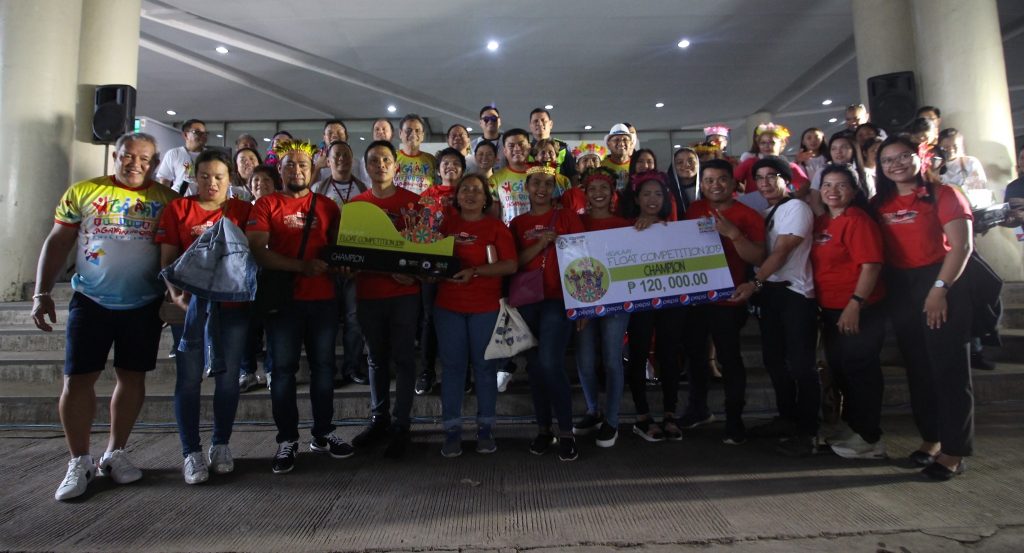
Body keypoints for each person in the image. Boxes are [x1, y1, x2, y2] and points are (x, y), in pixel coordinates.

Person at [32, 132, 178, 500]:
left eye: (145, 160)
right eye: (129, 156)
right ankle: (79, 460)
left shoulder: (167, 200)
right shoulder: (83, 192)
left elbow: (176, 252)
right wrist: (41, 292)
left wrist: (172, 296)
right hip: (91, 300)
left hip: (143, 304)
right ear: (116, 155)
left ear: (155, 163)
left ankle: (115, 453)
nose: (136, 164)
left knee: (132, 378)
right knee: (78, 379)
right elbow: (58, 241)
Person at [871, 135, 974, 480]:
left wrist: (939, 290)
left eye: (903, 157)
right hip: (901, 288)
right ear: (880, 168)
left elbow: (961, 246)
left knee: (948, 369)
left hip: (941, 283)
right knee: (918, 368)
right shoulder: (879, 203)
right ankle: (931, 439)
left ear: (920, 158)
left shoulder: (945, 194)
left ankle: (954, 451)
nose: (896, 164)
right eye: (887, 160)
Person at [246, 139, 347, 474]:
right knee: (284, 374)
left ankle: (324, 432)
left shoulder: (328, 207)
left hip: (323, 301)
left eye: (303, 165)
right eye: (290, 165)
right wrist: (300, 267)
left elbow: (338, 250)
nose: (297, 170)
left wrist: (342, 265)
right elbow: (258, 251)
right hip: (284, 303)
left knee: (324, 370)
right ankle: (287, 439)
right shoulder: (265, 205)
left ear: (313, 169)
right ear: (280, 169)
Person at [156, 150, 253, 484]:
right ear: (194, 177)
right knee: (189, 379)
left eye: (219, 177)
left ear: (231, 180)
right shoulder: (178, 210)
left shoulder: (242, 211)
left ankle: (221, 444)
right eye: (205, 176)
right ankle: (191, 452)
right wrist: (176, 294)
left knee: (228, 380)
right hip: (189, 311)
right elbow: (167, 259)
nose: (212, 183)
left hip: (233, 310)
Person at [731, 156, 820, 457]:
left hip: (795, 295)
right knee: (774, 361)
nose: (766, 183)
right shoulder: (767, 211)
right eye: (760, 178)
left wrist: (753, 284)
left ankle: (809, 431)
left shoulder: (796, 208)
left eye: (772, 176)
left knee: (801, 365)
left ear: (787, 180)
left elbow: (781, 252)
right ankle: (787, 419)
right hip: (771, 295)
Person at [680, 159, 765, 444]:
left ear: (733, 183)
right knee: (695, 356)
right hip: (696, 299)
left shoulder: (748, 215)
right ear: (701, 184)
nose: (715, 185)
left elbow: (759, 258)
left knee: (729, 358)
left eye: (721, 180)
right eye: (709, 180)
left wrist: (734, 235)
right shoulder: (694, 209)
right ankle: (698, 409)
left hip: (729, 300)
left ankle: (734, 419)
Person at [348, 140, 423, 459]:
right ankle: (379, 419)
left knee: (405, 360)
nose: (380, 165)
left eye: (386, 160)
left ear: (396, 166)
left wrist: (416, 273)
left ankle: (402, 425)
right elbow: (349, 255)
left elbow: (425, 251)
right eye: (374, 160)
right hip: (369, 295)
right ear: (366, 167)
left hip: (405, 296)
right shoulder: (355, 207)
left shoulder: (414, 203)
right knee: (376, 360)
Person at [435, 173, 517, 457]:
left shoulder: (496, 227)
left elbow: (510, 265)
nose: (470, 194)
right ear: (456, 196)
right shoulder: (445, 224)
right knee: (453, 369)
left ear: (486, 198)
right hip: (448, 308)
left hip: (485, 308)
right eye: (465, 189)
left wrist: (476, 271)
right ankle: (452, 431)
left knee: (485, 370)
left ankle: (485, 429)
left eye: (477, 190)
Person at [809, 165, 887, 459]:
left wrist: (856, 303)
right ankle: (854, 427)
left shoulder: (858, 220)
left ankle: (870, 437)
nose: (832, 191)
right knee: (842, 370)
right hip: (830, 309)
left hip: (858, 308)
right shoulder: (822, 222)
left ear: (854, 191)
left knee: (861, 372)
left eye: (841, 185)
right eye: (827, 184)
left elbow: (871, 266)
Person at [510, 165, 585, 461]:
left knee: (551, 363)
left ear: (555, 188)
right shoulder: (516, 223)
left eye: (548, 183)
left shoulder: (567, 217)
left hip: (559, 300)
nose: (542, 188)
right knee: (536, 368)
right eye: (536, 182)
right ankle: (544, 430)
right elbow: (514, 263)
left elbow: (582, 259)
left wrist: (582, 305)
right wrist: (541, 243)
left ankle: (566, 431)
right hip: (527, 301)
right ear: (526, 187)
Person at [622, 172, 687, 443]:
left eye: (658, 194)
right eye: (646, 194)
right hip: (639, 302)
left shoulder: (679, 229)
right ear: (636, 198)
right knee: (637, 354)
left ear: (666, 199)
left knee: (669, 353)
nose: (652, 199)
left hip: (672, 301)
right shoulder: (625, 230)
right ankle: (642, 416)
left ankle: (670, 413)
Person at [570, 168, 632, 447]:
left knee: (611, 358)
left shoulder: (625, 225)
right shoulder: (575, 222)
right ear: (585, 193)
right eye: (592, 188)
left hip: (617, 301)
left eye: (603, 188)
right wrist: (582, 305)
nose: (598, 193)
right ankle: (593, 409)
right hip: (584, 301)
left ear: (612, 194)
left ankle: (612, 420)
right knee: (584, 359)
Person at [311, 140, 369, 387]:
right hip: (326, 265)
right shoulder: (317, 188)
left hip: (355, 264)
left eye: (345, 155)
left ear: (352, 158)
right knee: (327, 321)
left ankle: (352, 367)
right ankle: (327, 370)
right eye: (336, 156)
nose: (341, 160)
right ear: (328, 159)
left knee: (355, 319)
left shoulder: (363, 188)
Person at [415, 147, 466, 395]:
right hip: (432, 264)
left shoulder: (470, 194)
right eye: (445, 163)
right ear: (438, 169)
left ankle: (460, 373)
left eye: (456, 163)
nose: (450, 167)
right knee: (429, 319)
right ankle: (426, 371)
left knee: (459, 320)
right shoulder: (426, 195)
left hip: (462, 263)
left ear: (463, 170)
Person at [239, 164, 282, 391]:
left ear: (276, 184)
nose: (260, 184)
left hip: (274, 273)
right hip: (248, 273)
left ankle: (272, 370)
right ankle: (246, 371)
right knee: (247, 325)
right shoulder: (244, 210)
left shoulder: (281, 208)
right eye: (256, 181)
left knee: (273, 326)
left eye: (266, 180)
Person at [734, 123, 809, 193]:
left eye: (771, 142)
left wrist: (794, 196)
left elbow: (805, 184)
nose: (766, 146)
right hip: (754, 205)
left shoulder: (789, 166)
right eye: (763, 143)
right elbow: (733, 180)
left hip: (781, 204)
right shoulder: (750, 162)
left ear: (782, 144)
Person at [490, 128, 533, 225]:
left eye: (521, 144)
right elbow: (493, 216)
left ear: (529, 147)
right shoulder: (494, 179)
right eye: (511, 146)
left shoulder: (540, 174)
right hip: (508, 234)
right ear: (505, 151)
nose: (517, 149)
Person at [156, 118, 207, 195]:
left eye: (204, 133)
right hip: (178, 199)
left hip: (203, 201)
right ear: (185, 135)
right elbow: (164, 181)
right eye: (197, 132)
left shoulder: (211, 155)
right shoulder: (173, 154)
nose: (203, 136)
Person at [527, 107, 576, 181]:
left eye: (543, 120)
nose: (539, 124)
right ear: (530, 126)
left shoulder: (563, 148)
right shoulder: (526, 150)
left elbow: (573, 176)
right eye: (535, 121)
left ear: (551, 124)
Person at [394, 113, 437, 195]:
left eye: (417, 130)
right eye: (408, 130)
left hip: (424, 206)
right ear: (400, 133)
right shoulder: (392, 158)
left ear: (422, 135)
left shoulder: (432, 160)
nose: (413, 134)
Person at [562, 142, 607, 215]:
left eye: (594, 160)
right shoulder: (570, 195)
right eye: (585, 160)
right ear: (577, 167)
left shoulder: (610, 193)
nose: (590, 164)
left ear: (601, 165)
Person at [665, 147, 699, 219]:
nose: (686, 165)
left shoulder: (709, 187)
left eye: (691, 161)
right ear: (673, 167)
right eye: (680, 162)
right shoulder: (666, 192)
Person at [601, 124, 634, 190]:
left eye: (625, 139)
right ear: (608, 144)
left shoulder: (637, 164)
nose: (621, 143)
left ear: (630, 143)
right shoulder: (601, 165)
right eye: (616, 140)